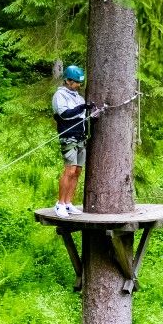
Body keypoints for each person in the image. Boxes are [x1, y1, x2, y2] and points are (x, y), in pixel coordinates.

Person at [51, 64, 95, 216]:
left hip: (80, 137)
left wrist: (89, 111)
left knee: (77, 171)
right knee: (69, 170)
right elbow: (65, 114)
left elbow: (82, 117)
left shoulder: (78, 97)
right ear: (68, 81)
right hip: (68, 137)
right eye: (76, 82)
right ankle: (60, 204)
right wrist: (83, 107)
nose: (79, 85)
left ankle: (69, 203)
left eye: (80, 82)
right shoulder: (60, 95)